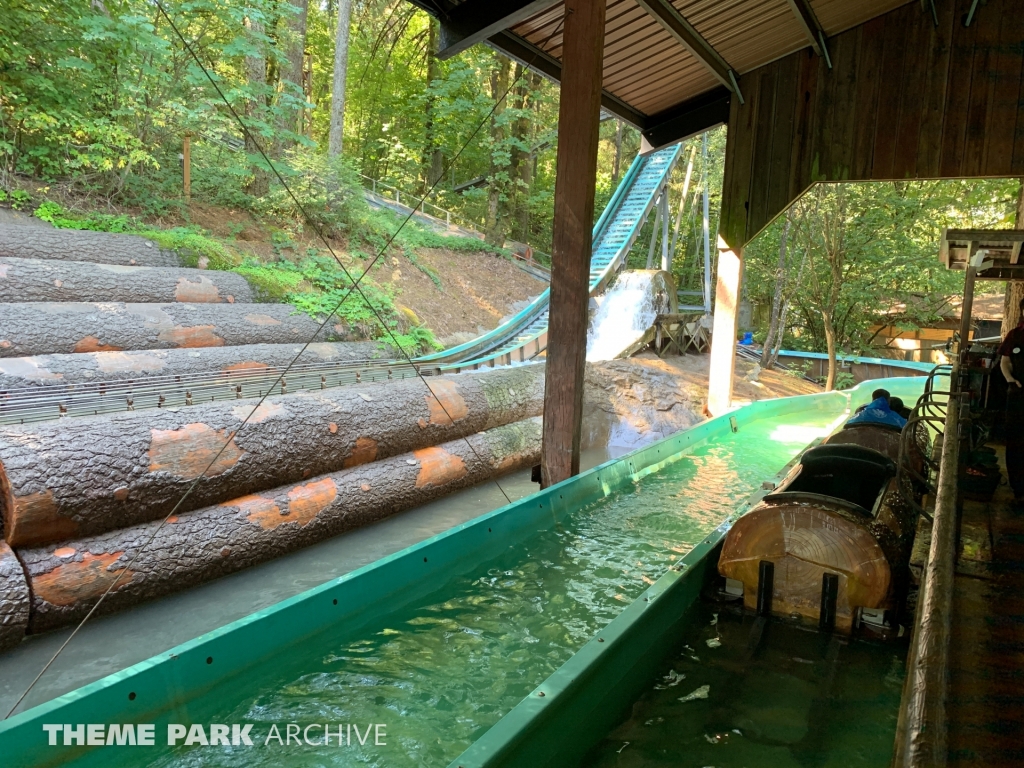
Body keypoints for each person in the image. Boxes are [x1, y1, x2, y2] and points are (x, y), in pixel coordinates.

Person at [999, 298, 1024, 501]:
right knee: (1015, 440)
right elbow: (1005, 361)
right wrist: (1010, 380)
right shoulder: (1015, 335)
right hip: (1017, 393)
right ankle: (1017, 487)